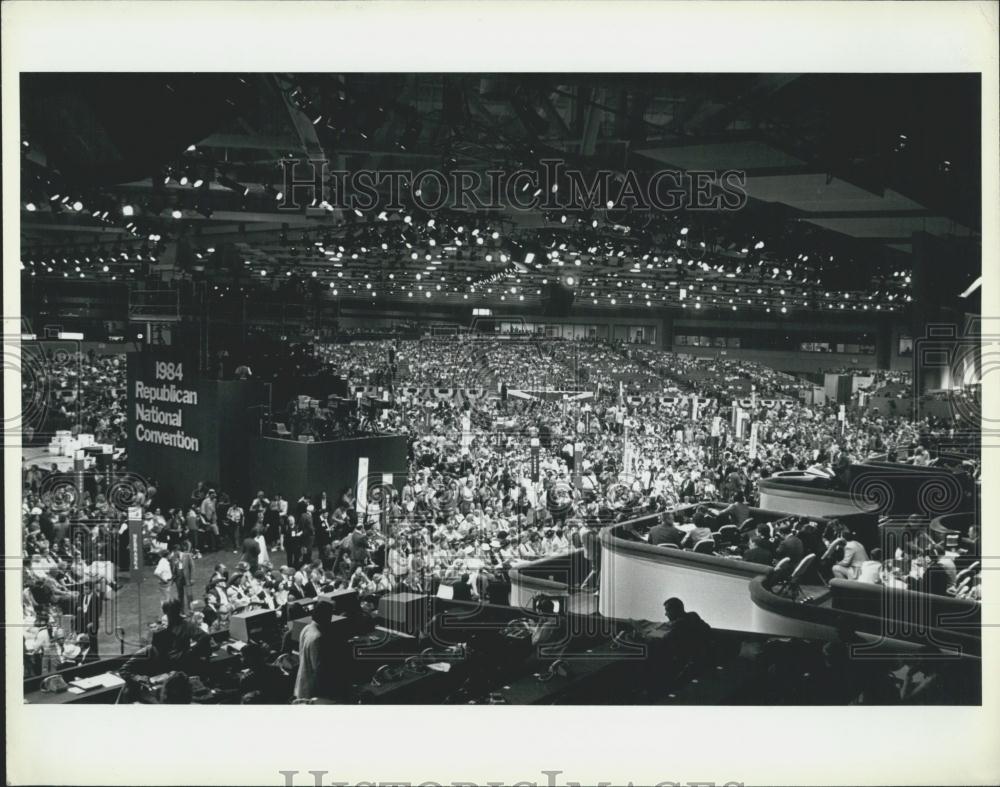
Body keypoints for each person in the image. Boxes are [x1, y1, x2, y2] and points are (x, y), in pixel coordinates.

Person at [175, 540, 196, 612]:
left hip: (187, 578)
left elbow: (192, 567)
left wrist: (192, 578)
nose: (175, 553)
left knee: (189, 595)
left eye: (176, 551)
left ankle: (191, 609)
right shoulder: (174, 558)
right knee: (180, 596)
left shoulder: (187, 556)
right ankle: (182, 610)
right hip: (179, 579)